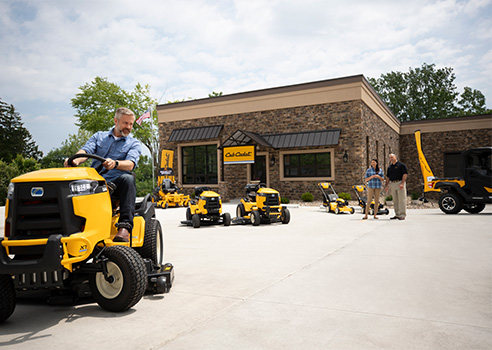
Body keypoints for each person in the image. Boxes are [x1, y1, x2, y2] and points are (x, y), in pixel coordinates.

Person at [65, 107, 142, 242]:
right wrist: (75, 159)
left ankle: (125, 227)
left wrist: (116, 163)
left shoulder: (133, 143)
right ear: (116, 121)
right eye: (125, 123)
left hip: (117, 185)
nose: (128, 127)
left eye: (131, 124)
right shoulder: (99, 137)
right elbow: (86, 151)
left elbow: (130, 163)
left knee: (128, 179)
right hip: (94, 183)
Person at [384, 153, 408, 220]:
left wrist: (402, 183)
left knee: (401, 200)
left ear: (395, 157)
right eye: (389, 158)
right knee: (395, 200)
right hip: (393, 184)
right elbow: (388, 177)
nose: (390, 159)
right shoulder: (390, 167)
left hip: (400, 182)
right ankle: (397, 214)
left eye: (392, 157)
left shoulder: (401, 165)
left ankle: (402, 215)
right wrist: (386, 186)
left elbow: (405, 174)